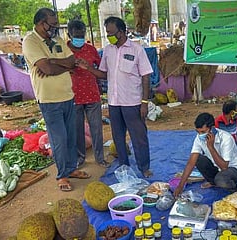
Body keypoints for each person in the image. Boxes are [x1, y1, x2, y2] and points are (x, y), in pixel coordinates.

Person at [22, 8, 90, 192]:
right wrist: (60, 65)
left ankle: (71, 169)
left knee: (70, 137)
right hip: (49, 100)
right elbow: (46, 69)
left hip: (68, 96)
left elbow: (71, 62)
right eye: (51, 25)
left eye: (55, 25)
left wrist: (53, 62)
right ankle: (62, 175)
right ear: (40, 22)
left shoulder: (58, 40)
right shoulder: (31, 41)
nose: (53, 28)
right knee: (58, 139)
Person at [94, 16, 154, 178]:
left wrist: (144, 102)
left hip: (133, 102)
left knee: (139, 137)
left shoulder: (136, 49)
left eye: (111, 33)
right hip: (114, 103)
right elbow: (103, 73)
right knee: (118, 138)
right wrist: (88, 69)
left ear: (121, 32)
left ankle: (144, 167)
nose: (109, 36)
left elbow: (146, 76)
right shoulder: (108, 50)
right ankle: (124, 166)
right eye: (107, 33)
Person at [66, 19, 109, 169]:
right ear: (69, 34)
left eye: (82, 34)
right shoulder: (64, 51)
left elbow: (102, 67)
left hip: (92, 95)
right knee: (77, 129)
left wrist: (89, 67)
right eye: (76, 35)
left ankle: (100, 158)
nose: (80, 38)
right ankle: (80, 158)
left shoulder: (91, 49)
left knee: (96, 128)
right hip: (73, 96)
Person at [173, 113, 237, 197]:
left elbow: (224, 167)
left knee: (221, 179)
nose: (200, 135)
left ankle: (233, 189)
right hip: (216, 168)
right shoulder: (199, 138)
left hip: (233, 169)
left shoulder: (226, 138)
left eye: (203, 132)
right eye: (198, 132)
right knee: (198, 159)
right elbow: (191, 162)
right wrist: (181, 185)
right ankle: (213, 182)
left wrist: (211, 147)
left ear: (212, 128)